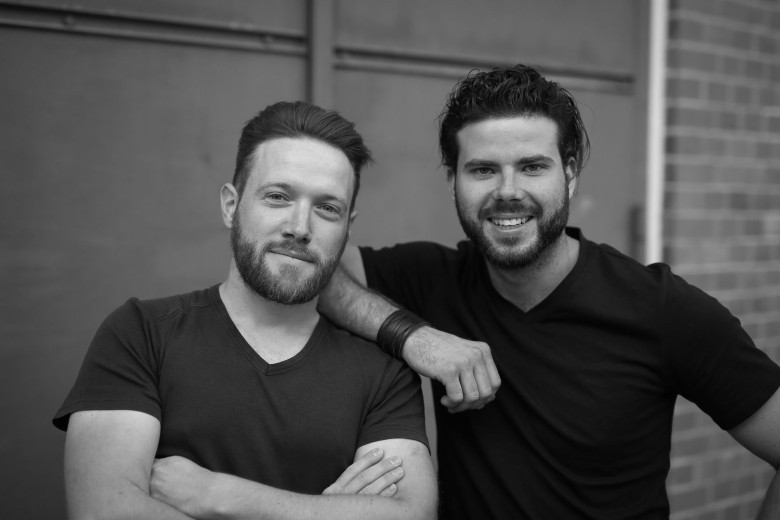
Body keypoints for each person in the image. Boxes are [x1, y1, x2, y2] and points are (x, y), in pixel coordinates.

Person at [317, 65, 780, 519]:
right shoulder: (431, 277)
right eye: (483, 170)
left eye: (532, 167)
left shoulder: (663, 309)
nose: (508, 192)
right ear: (453, 181)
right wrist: (413, 336)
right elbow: (319, 273)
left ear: (570, 174)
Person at [53, 101, 437, 520]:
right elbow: (104, 512)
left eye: (328, 208)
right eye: (277, 197)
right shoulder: (141, 334)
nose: (300, 227)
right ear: (230, 206)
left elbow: (412, 514)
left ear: (348, 227)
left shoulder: (384, 373)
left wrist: (223, 496)